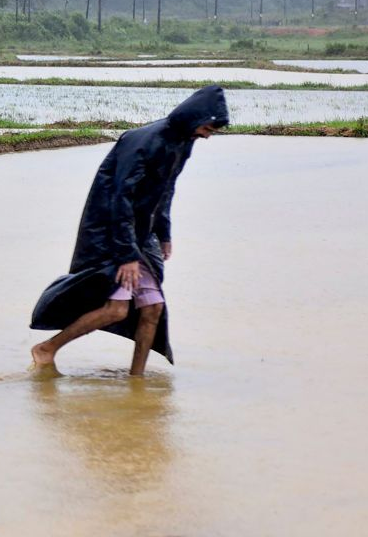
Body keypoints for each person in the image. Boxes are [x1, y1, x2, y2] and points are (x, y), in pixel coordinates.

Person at [29, 85, 230, 376]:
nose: (208, 135)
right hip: (112, 233)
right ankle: (46, 349)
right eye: (208, 128)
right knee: (117, 309)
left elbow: (166, 189)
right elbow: (120, 196)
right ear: (195, 118)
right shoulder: (143, 141)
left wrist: (164, 233)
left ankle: (137, 381)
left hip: (141, 235)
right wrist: (127, 255)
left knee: (153, 310)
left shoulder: (184, 141)